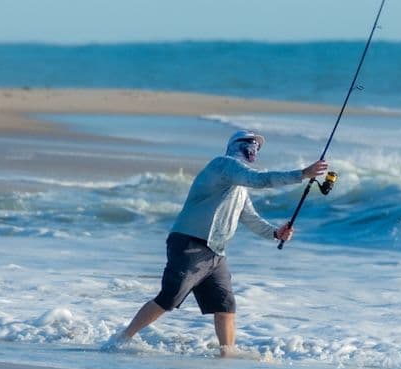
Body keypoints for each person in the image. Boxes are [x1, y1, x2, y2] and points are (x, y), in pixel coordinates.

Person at [111, 128, 327, 354]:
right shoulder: (223, 164)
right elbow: (259, 179)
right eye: (248, 143)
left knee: (225, 306)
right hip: (189, 243)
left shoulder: (239, 186)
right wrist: (302, 174)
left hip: (216, 252)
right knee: (169, 298)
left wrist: (275, 233)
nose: (253, 148)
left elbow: (250, 218)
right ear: (235, 145)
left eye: (257, 146)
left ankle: (227, 354)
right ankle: (122, 339)